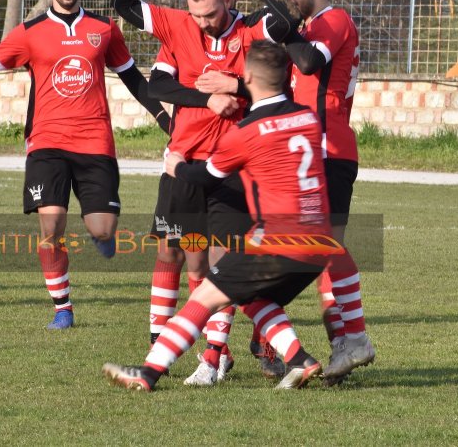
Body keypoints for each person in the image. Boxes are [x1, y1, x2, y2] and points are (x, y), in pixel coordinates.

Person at [111, 0, 296, 385]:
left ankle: (213, 356)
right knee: (179, 253)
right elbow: (125, 9)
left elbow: (290, 23)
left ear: (228, 1)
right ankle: (162, 341)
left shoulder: (250, 31)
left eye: (210, 15)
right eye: (195, 15)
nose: (202, 23)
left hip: (231, 167)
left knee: (219, 263)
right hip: (184, 163)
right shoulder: (177, 26)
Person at [0, 0, 170, 330]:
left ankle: (101, 236)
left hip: (95, 142)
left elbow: (134, 79)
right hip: (47, 142)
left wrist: (161, 116)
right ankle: (63, 308)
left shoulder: (104, 29)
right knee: (50, 227)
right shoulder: (31, 32)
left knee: (102, 229)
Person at [102, 40, 332, 391]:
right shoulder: (309, 118)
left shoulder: (246, 131)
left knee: (203, 297)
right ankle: (301, 360)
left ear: (248, 75)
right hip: (319, 243)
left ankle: (148, 373)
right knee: (253, 297)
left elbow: (206, 176)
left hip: (278, 242)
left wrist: (178, 166)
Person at [275, 0, 375, 383]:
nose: (290, 0)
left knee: (324, 244)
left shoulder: (334, 20)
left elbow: (310, 63)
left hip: (330, 148)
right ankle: (344, 342)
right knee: (312, 248)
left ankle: (353, 340)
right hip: (310, 150)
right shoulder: (310, 28)